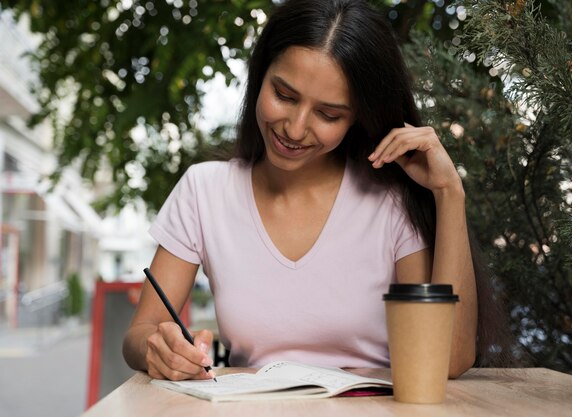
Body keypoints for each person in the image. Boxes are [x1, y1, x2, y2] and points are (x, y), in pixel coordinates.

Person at [123, 0, 480, 382]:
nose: (294, 129)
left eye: (328, 115)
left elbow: (448, 359)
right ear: (261, 76)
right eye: (284, 96)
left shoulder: (389, 199)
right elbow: (140, 333)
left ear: (357, 117)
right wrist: (157, 349)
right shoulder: (204, 190)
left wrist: (448, 191)